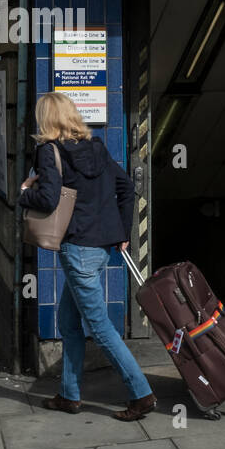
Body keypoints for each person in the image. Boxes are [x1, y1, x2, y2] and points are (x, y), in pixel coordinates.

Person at [18, 93, 156, 421]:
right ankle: (69, 394)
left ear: (47, 119)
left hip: (78, 248)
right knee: (68, 321)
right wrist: (122, 233)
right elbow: (126, 188)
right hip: (100, 249)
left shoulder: (48, 151)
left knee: (100, 327)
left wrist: (26, 192)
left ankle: (141, 393)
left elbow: (49, 199)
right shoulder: (96, 147)